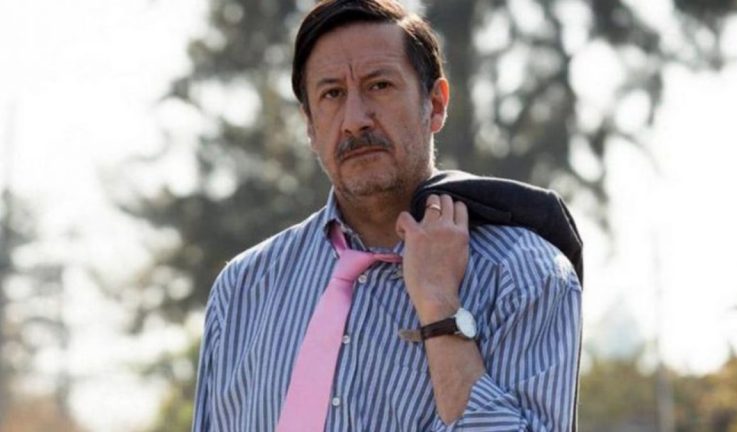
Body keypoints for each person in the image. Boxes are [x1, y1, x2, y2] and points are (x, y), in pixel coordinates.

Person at [191, 0, 582, 431]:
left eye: (379, 85)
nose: (355, 120)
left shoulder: (524, 274)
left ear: (435, 104)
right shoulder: (242, 288)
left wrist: (441, 309)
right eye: (332, 94)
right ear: (309, 124)